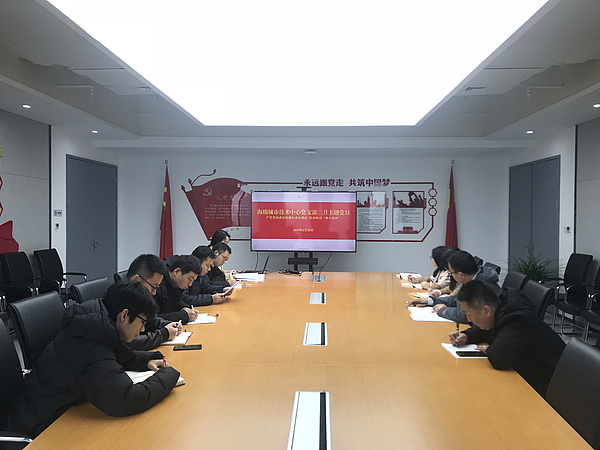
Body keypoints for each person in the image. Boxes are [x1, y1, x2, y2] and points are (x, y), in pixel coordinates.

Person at [4, 280, 180, 438]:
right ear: (124, 315)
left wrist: (146, 360)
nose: (143, 330)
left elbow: (116, 353)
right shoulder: (90, 346)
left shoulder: (95, 324)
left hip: (56, 411)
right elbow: (126, 399)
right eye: (143, 322)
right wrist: (169, 375)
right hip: (40, 428)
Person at [449, 280, 565, 396]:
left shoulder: (517, 320)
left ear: (486, 310)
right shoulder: (500, 307)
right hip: (529, 376)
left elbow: (498, 359)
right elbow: (486, 328)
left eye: (469, 314)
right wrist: (467, 335)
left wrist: (490, 348)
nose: (468, 319)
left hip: (551, 387)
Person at [126, 254, 185, 350]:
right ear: (136, 280)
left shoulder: (139, 299)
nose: (154, 293)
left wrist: (169, 324)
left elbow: (151, 320)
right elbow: (129, 342)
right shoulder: (120, 301)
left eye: (157, 287)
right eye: (153, 287)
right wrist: (164, 334)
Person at [432, 250, 501, 323]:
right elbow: (456, 299)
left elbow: (466, 316)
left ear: (461, 275)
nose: (451, 275)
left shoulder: (482, 286)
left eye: (451, 273)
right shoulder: (467, 279)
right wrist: (431, 300)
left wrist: (443, 310)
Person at [154, 255, 203, 323]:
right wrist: (183, 316)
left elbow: (175, 301)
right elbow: (154, 318)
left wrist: (184, 308)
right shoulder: (156, 284)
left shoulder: (176, 283)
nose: (190, 284)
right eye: (190, 279)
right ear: (176, 271)